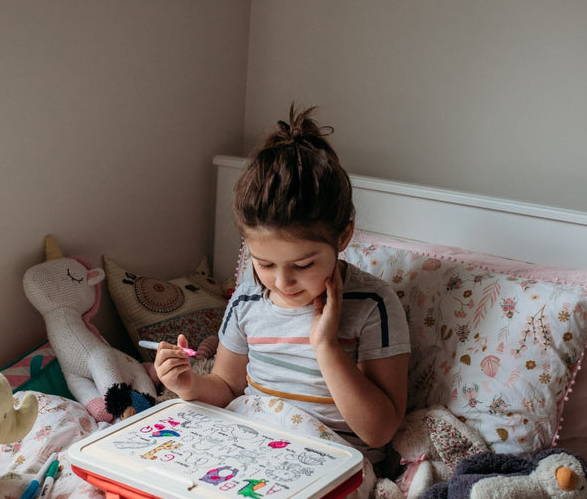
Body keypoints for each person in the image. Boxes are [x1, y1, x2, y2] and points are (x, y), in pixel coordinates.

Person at [154, 106, 410, 472]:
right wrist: (188, 384)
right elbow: (227, 387)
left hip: (329, 469)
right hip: (251, 453)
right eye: (265, 263)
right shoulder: (247, 298)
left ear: (344, 236)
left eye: (303, 265)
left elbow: (379, 431)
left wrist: (325, 346)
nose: (281, 282)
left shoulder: (373, 305)